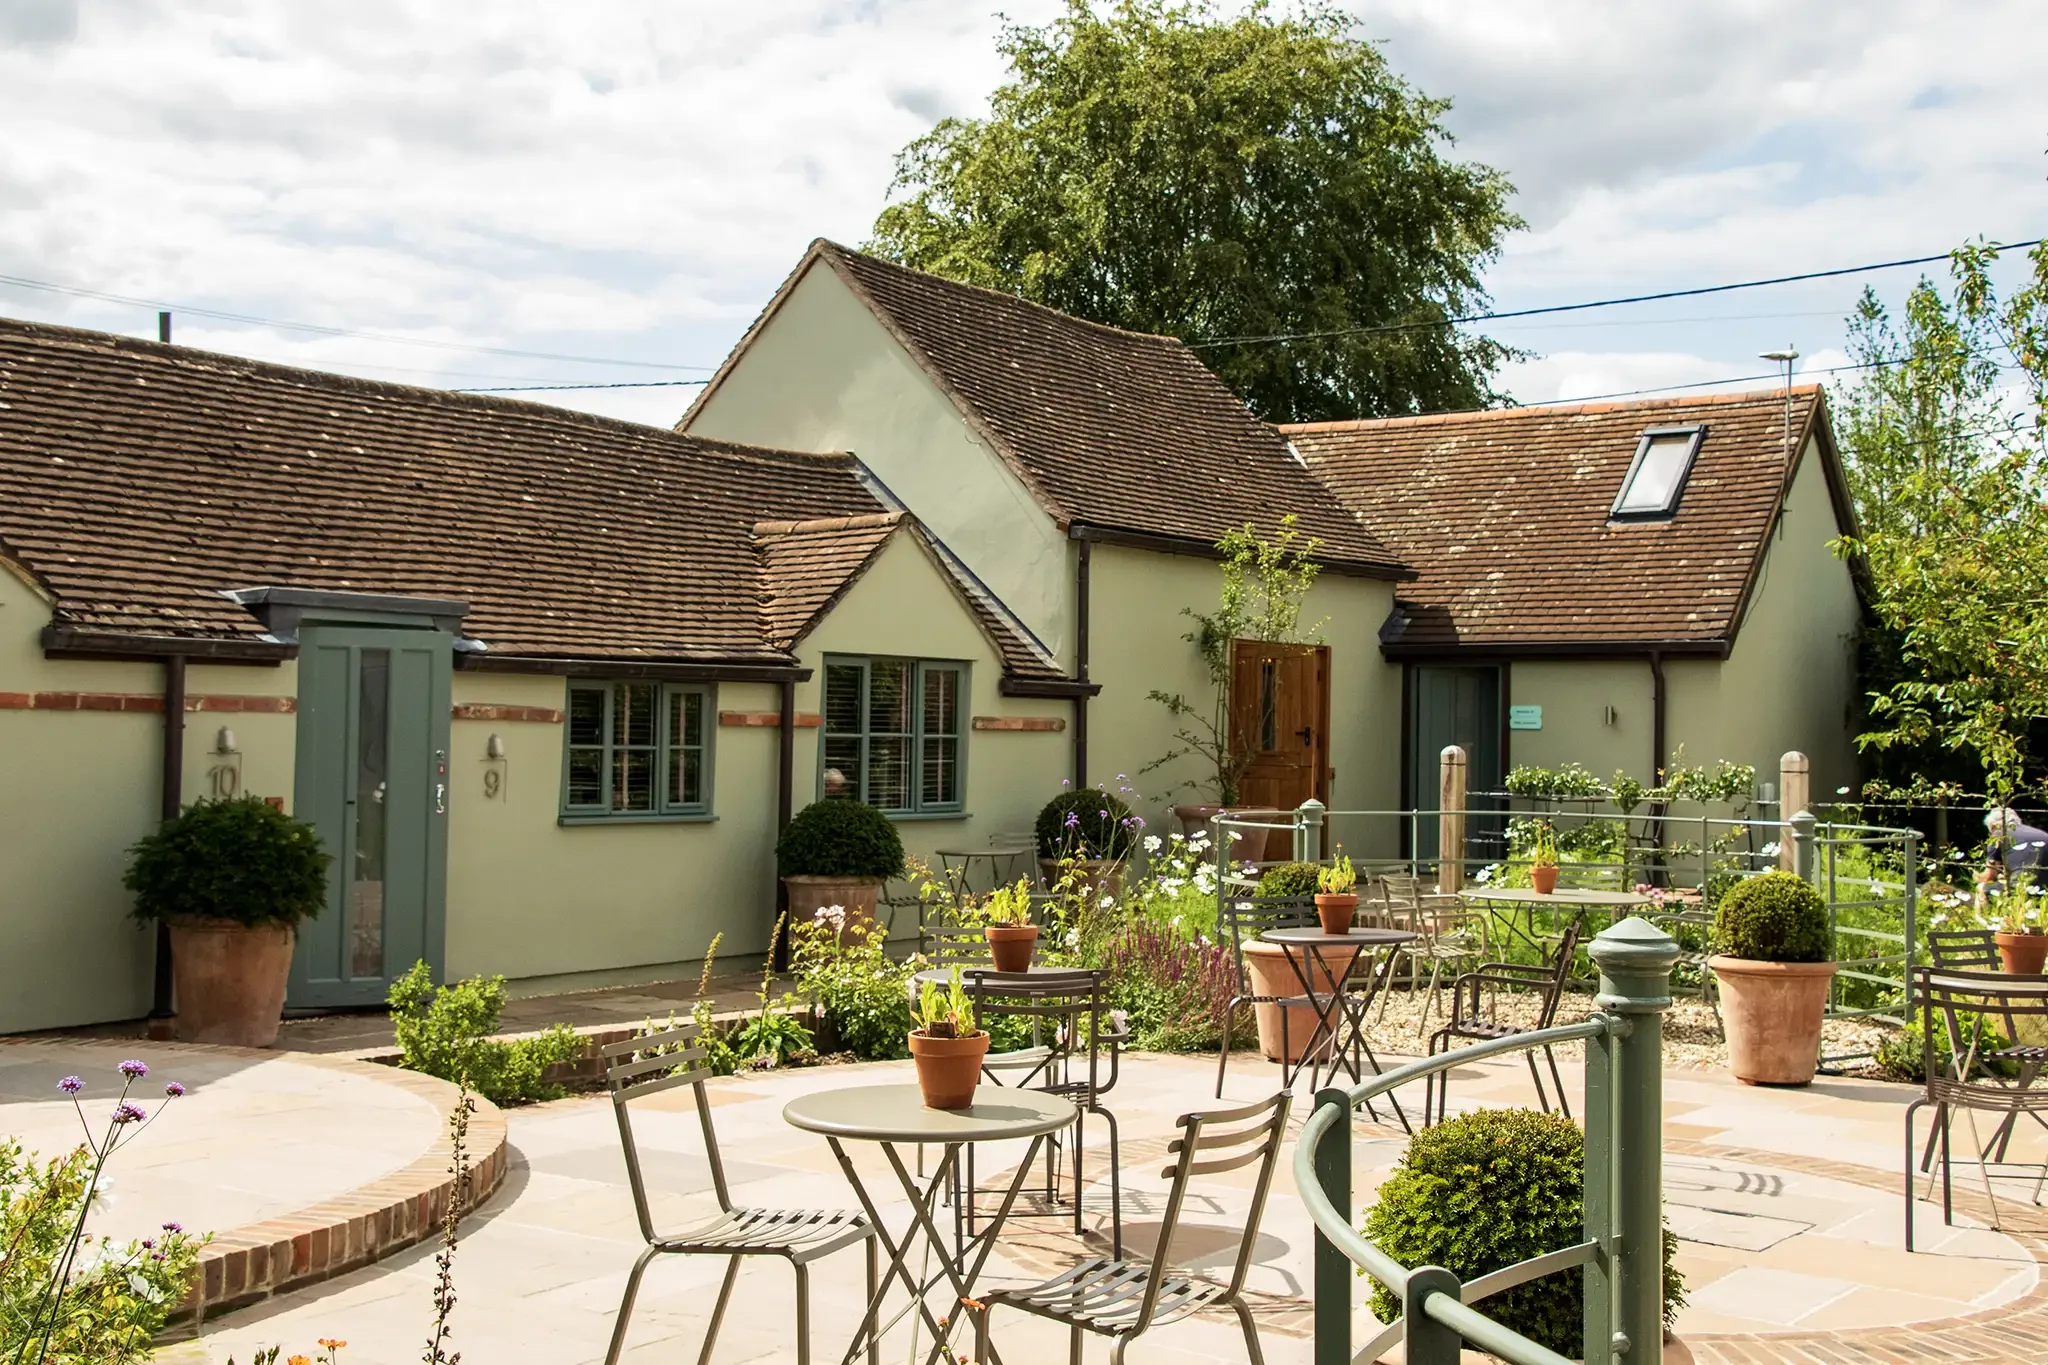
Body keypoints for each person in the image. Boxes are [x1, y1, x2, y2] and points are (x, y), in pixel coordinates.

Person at [1978, 807, 2048, 888]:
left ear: (1994, 826)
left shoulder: (1999, 835)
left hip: (2020, 887)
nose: (1991, 834)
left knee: (1982, 887)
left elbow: (1989, 877)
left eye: (1990, 831)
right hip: (2045, 889)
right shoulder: (2043, 834)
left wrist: (1977, 877)